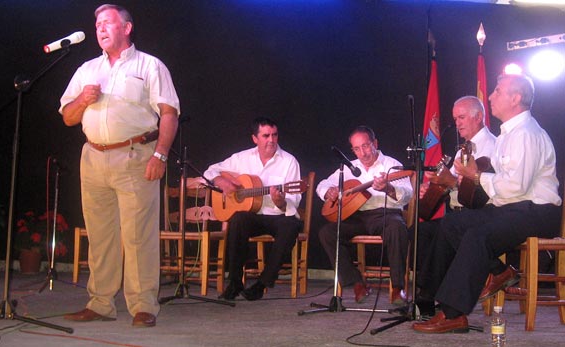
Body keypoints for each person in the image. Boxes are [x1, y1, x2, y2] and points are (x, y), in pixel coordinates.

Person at [59, 4, 180, 327]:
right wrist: (83, 100)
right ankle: (100, 303)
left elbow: (169, 113)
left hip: (136, 156)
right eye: (97, 23)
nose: (100, 28)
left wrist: (161, 154)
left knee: (138, 235)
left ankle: (143, 305)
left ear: (126, 28)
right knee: (100, 235)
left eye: (107, 23)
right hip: (94, 157)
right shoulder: (87, 69)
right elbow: (68, 117)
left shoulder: (149, 66)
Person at [413, 74, 562, 334]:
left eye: (497, 91)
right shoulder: (508, 134)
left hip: (537, 210)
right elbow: (504, 190)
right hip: (513, 206)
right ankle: (431, 300)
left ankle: (454, 314)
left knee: (477, 235)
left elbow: (516, 187)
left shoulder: (526, 133)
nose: (490, 96)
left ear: (515, 98)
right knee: (451, 224)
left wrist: (476, 176)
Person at [204, 117, 302, 301]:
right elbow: (210, 171)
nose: (271, 140)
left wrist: (280, 201)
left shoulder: (289, 161)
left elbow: (294, 200)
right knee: (237, 219)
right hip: (253, 215)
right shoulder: (241, 158)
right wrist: (221, 181)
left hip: (278, 216)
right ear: (255, 138)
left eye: (274, 135)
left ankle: (262, 283)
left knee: (291, 226)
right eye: (266, 136)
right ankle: (234, 282)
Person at [317, 126, 413, 304]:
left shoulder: (392, 165)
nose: (363, 152)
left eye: (366, 146)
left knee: (397, 228)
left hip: (385, 214)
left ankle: (398, 288)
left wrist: (389, 188)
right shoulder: (349, 168)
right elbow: (321, 184)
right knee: (327, 232)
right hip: (357, 216)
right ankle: (357, 284)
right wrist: (328, 191)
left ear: (375, 143)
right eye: (357, 148)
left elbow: (408, 193)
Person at [413, 96, 496, 279]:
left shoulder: (493, 147)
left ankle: (430, 295)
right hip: (456, 214)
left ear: (478, 116)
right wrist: (434, 185)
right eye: (455, 119)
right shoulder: (461, 150)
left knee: (445, 229)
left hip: (479, 215)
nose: (457, 124)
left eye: (462, 117)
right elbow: (448, 183)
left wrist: (451, 182)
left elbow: (482, 193)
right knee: (418, 232)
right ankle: (425, 292)